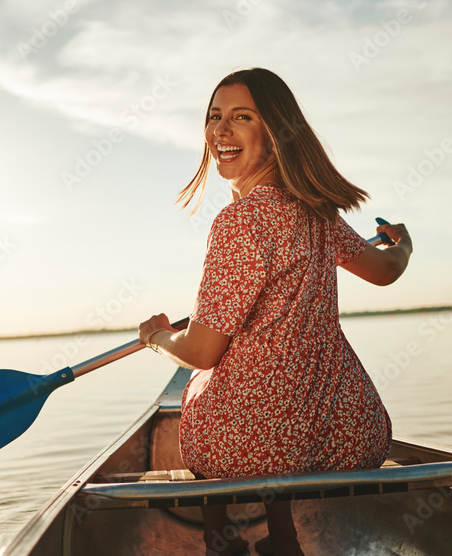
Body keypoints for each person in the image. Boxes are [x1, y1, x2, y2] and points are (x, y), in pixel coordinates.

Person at [139, 68, 413, 556]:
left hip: (252, 446)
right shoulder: (319, 213)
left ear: (276, 130)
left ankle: (219, 541)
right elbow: (386, 270)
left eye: (241, 116)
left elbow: (201, 350)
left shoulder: (238, 221)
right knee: (269, 390)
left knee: (204, 389)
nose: (220, 131)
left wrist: (157, 338)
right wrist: (404, 242)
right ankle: (283, 537)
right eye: (214, 117)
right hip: (350, 435)